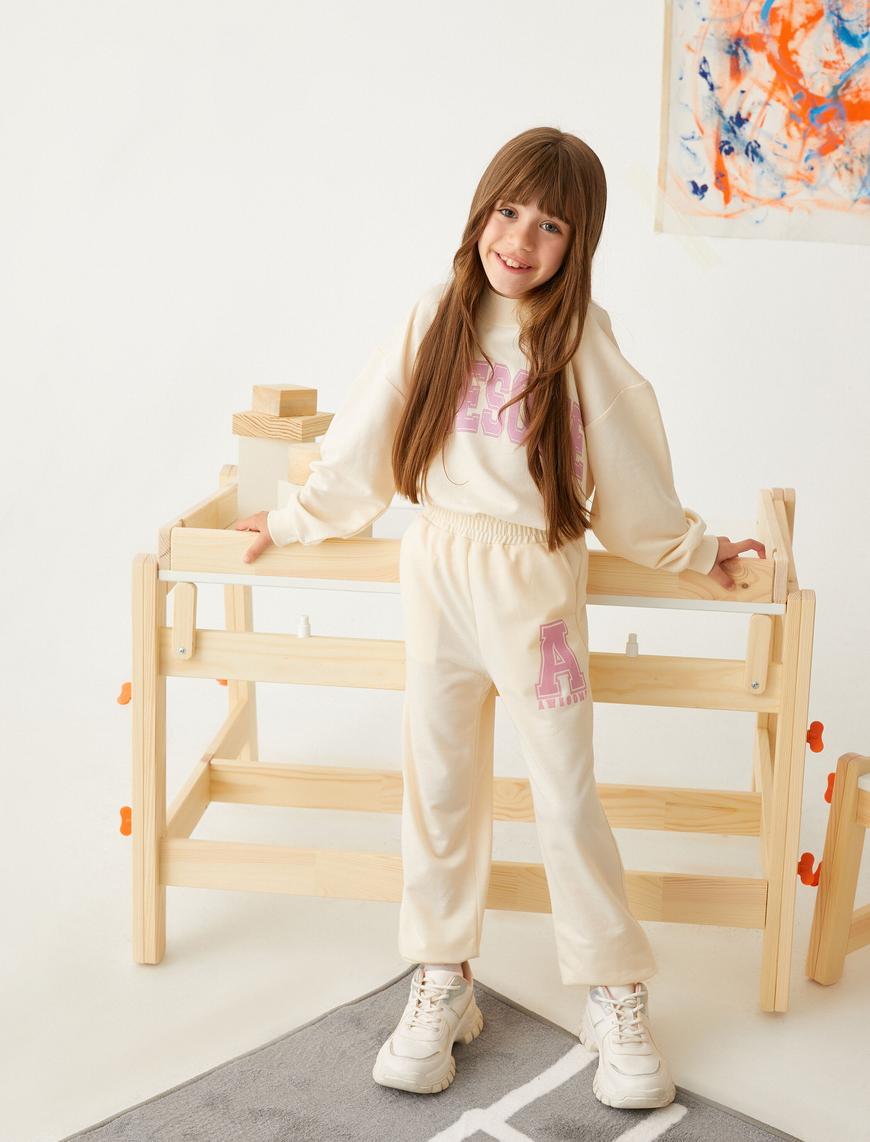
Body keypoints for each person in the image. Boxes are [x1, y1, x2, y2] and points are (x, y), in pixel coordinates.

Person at [234, 126, 765, 1109]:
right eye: (509, 211)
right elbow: (365, 436)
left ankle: (613, 987)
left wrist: (695, 548)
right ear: (481, 212)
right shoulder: (436, 314)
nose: (520, 239)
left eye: (550, 224)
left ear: (578, 242)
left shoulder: (579, 336)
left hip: (536, 584)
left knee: (565, 791)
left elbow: (631, 472)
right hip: (438, 566)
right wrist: (298, 516)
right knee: (437, 784)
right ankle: (444, 976)